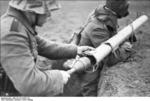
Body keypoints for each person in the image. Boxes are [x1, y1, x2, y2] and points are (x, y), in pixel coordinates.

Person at [0, 0, 94, 96]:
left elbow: (43, 46)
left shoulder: (19, 25)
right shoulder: (12, 34)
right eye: (46, 11)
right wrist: (58, 77)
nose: (49, 15)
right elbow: (28, 84)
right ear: (30, 12)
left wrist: (76, 50)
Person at [67, 0, 136, 96]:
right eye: (124, 4)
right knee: (90, 91)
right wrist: (126, 46)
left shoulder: (105, 15)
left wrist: (124, 38)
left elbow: (111, 38)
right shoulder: (99, 27)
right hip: (88, 63)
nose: (127, 5)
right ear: (119, 7)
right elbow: (110, 59)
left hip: (91, 56)